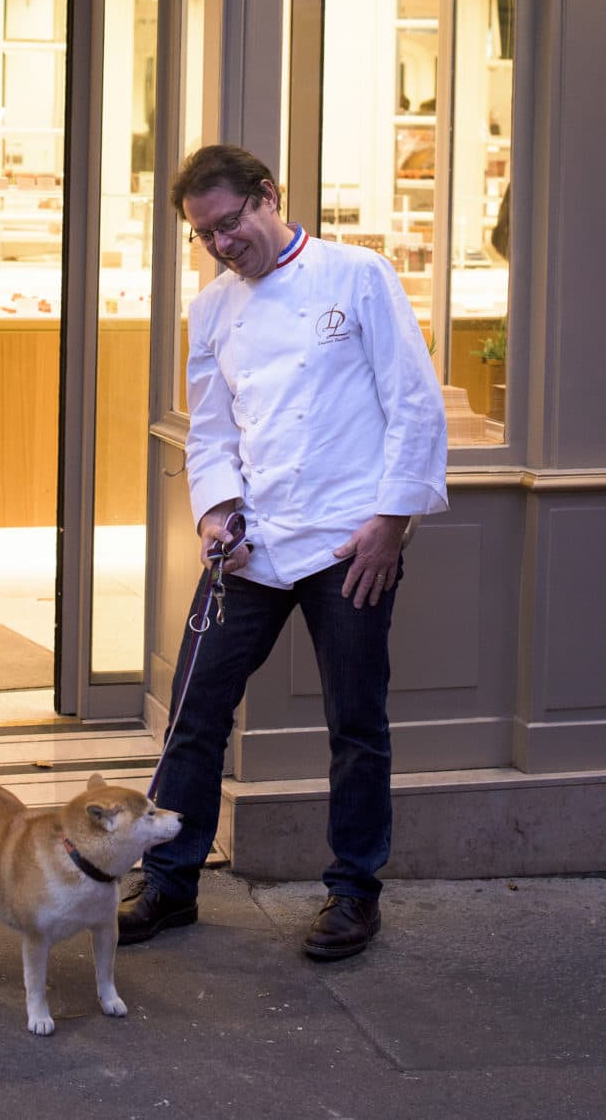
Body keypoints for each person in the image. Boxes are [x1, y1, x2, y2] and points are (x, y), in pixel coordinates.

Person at [118, 144, 448, 960]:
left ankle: (352, 894)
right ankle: (171, 882)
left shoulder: (358, 275)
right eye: (205, 236)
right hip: (252, 544)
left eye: (230, 223)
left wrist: (391, 522)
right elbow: (215, 428)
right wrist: (215, 517)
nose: (223, 245)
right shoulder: (215, 307)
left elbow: (412, 402)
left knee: (356, 722)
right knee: (193, 714)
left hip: (349, 539)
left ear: (270, 196)